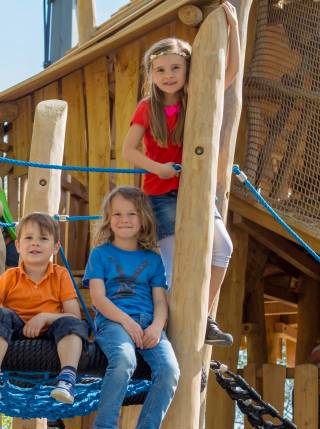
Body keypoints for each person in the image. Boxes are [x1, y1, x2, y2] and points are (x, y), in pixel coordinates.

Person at [121, 3, 240, 347]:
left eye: (175, 67)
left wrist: (232, 30)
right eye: (160, 70)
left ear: (187, 69)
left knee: (222, 247)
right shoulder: (148, 107)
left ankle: (202, 317)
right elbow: (130, 150)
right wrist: (159, 168)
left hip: (195, 189)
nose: (168, 75)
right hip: (161, 192)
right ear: (151, 74)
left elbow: (229, 72)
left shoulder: (196, 97)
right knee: (172, 265)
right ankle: (170, 328)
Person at [83, 186, 179, 429]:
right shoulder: (100, 255)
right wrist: (126, 321)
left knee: (170, 370)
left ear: (143, 219)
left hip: (148, 324)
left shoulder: (152, 259)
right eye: (117, 214)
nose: (124, 220)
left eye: (131, 214)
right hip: (113, 322)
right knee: (125, 359)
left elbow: (161, 301)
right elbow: (98, 299)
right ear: (108, 219)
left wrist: (156, 326)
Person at [0, 212, 88, 404]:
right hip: (14, 334)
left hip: (52, 334)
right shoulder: (10, 277)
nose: (35, 243)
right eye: (28, 238)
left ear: (56, 247)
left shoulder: (61, 275)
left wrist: (44, 317)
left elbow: (74, 316)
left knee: (73, 324)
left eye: (43, 238)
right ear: (18, 246)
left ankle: (67, 379)